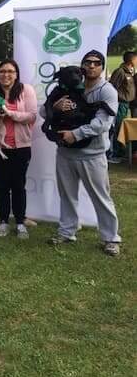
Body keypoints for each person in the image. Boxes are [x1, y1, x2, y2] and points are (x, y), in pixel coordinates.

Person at [44, 50, 121, 256]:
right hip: (65, 153)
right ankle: (67, 231)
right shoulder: (68, 85)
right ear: (82, 66)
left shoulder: (107, 91)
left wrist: (75, 134)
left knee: (101, 197)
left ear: (102, 66)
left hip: (92, 154)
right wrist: (56, 106)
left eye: (96, 63)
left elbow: (102, 123)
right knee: (67, 196)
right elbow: (44, 112)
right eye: (88, 62)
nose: (92, 66)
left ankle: (111, 238)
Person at [0, 60, 37, 239]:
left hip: (21, 146)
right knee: (2, 186)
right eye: (2, 71)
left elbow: (32, 116)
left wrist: (11, 114)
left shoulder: (26, 90)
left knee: (18, 185)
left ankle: (20, 222)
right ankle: (3, 221)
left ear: (16, 74)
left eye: (10, 71)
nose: (6, 74)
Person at [108, 51, 137, 162]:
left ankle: (121, 150)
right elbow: (112, 86)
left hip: (126, 104)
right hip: (120, 104)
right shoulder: (120, 71)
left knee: (122, 127)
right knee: (118, 126)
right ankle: (115, 153)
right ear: (131, 60)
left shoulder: (130, 72)